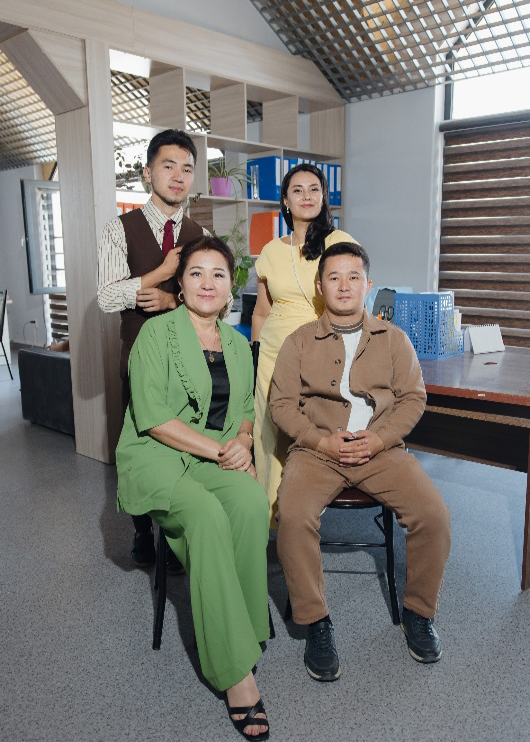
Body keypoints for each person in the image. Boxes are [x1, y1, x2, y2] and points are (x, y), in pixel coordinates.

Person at [269, 242, 451, 682]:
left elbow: (413, 398)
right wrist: (321, 441)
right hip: (318, 450)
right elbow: (281, 406)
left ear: (368, 285)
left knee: (434, 516)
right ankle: (316, 622)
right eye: (334, 277)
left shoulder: (394, 339)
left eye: (354, 277)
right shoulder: (298, 341)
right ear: (320, 286)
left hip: (380, 449)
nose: (344, 285)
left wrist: (380, 438)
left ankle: (418, 613)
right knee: (292, 516)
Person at [116, 235, 271, 740]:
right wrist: (223, 452)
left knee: (251, 502)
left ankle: (244, 627)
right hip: (157, 456)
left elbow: (244, 412)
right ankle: (234, 673)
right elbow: (154, 418)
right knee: (204, 515)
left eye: (218, 274)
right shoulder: (156, 334)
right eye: (196, 273)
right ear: (180, 285)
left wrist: (242, 444)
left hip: (213, 453)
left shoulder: (237, 343)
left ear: (230, 287)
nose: (208, 283)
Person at [97, 128, 208, 568]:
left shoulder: (200, 233)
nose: (178, 176)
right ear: (148, 174)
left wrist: (172, 301)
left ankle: (177, 531)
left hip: (187, 354)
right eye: (168, 166)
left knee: (185, 439)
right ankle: (142, 530)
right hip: (139, 354)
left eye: (187, 169)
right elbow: (107, 297)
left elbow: (215, 298)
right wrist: (159, 274)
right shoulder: (119, 229)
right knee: (141, 441)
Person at [251, 163, 358, 519]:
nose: (306, 196)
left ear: (324, 196)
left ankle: (300, 516)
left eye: (314, 189)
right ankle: (269, 518)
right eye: (297, 190)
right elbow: (262, 312)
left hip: (320, 352)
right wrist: (255, 355)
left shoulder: (340, 243)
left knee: (309, 432)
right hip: (272, 353)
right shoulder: (271, 251)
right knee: (269, 434)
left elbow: (355, 302)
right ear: (285, 200)